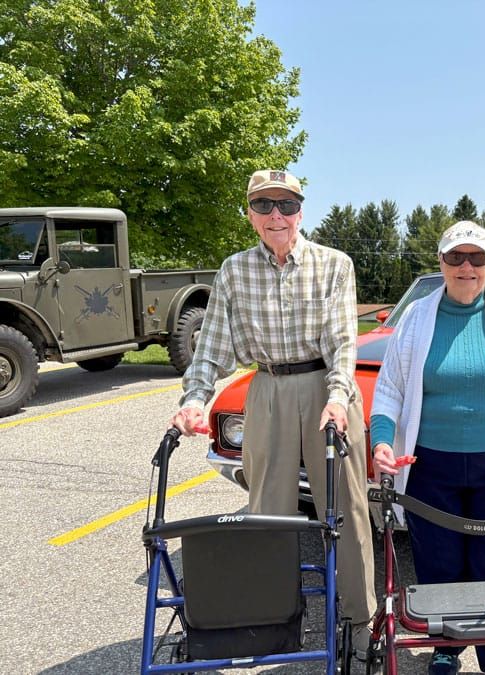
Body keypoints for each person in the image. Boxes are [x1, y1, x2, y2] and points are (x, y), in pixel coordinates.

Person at [170, 169, 376, 659]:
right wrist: (195, 399)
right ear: (250, 214)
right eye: (264, 205)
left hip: (327, 385)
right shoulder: (234, 270)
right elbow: (212, 345)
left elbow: (343, 342)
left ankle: (360, 622)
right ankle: (273, 620)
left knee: (347, 510)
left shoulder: (334, 264)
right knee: (267, 513)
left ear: (301, 212)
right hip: (267, 387)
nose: (276, 215)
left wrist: (338, 396)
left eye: (286, 205)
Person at [370, 221, 485, 675]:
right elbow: (389, 389)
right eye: (456, 257)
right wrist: (381, 440)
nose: (466, 266)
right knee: (439, 562)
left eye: (477, 257)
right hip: (429, 465)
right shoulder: (417, 315)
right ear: (441, 262)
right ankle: (445, 648)